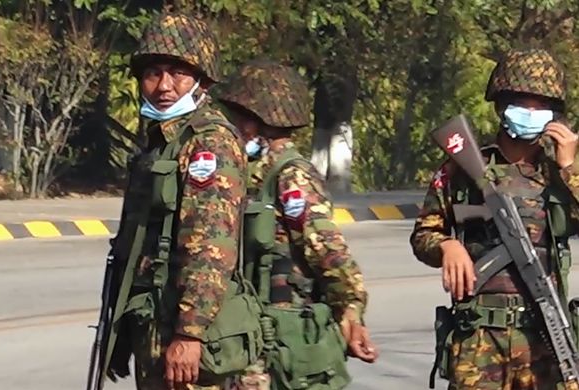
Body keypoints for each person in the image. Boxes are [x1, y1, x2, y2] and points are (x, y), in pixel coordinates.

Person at [411, 48, 579, 389]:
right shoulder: (463, 169)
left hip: (543, 340)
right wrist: (446, 246)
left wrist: (570, 167)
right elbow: (423, 233)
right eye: (522, 104)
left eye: (540, 106)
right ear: (502, 105)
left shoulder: (559, 174)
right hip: (479, 340)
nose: (531, 113)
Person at [102, 11, 249, 390]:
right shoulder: (161, 141)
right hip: (151, 324)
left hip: (184, 333)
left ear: (201, 79)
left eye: (177, 73)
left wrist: (190, 334)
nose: (164, 86)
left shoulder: (209, 142)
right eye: (153, 74)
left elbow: (210, 245)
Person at [216, 59, 377, 390]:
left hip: (276, 339)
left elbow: (328, 250)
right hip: (241, 333)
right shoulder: (247, 172)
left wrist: (350, 309)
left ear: (258, 122)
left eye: (238, 117)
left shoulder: (291, 175)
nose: (231, 125)